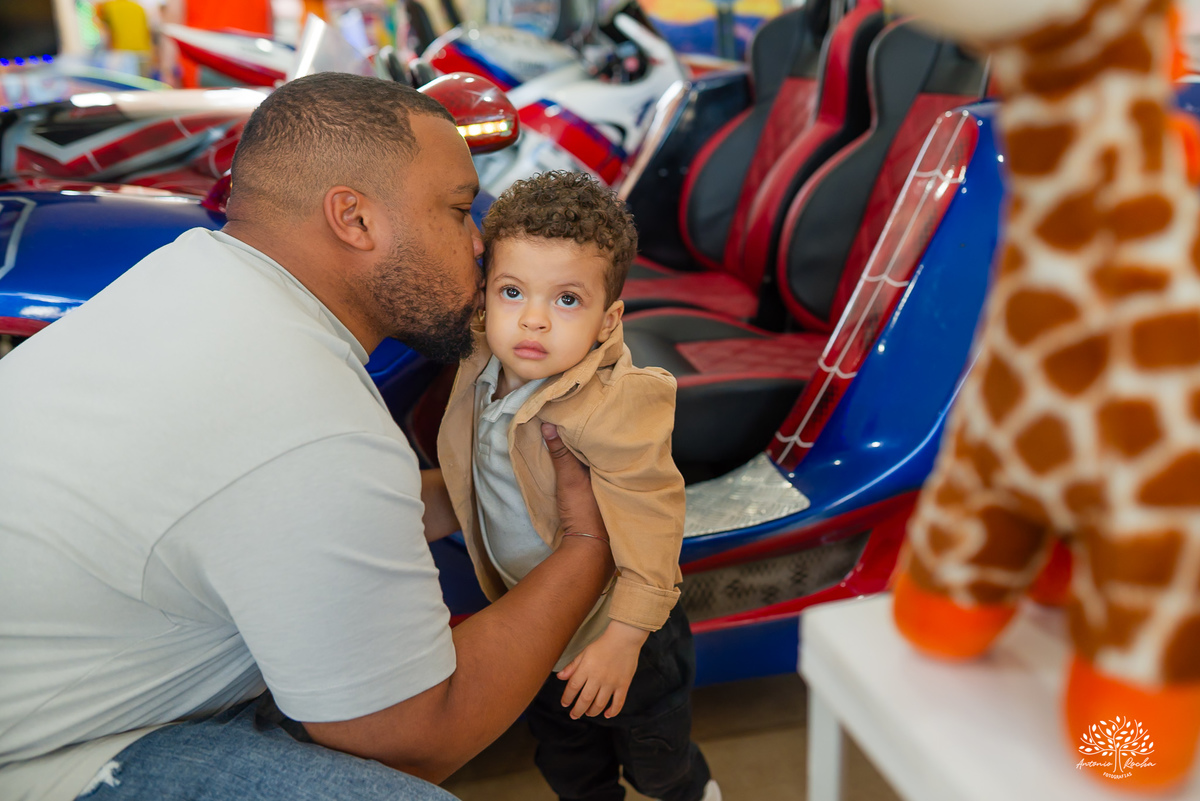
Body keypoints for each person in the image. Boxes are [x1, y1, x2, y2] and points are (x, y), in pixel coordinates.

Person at [0, 73, 618, 801]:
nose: (479, 242)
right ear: (353, 220)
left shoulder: (191, 277)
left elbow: (264, 514)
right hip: (35, 758)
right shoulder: (303, 414)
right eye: (457, 211)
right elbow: (417, 735)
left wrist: (463, 491)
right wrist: (589, 546)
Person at [429, 171, 719, 801]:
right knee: (567, 762)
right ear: (484, 297)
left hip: (621, 629)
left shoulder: (611, 407)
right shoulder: (482, 363)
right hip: (536, 619)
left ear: (608, 319)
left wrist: (624, 638)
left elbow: (654, 521)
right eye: (512, 292)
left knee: (656, 761)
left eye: (566, 300)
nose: (532, 322)